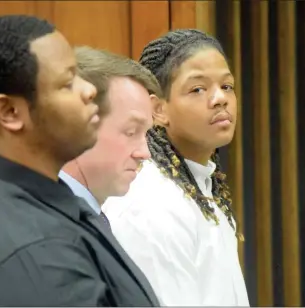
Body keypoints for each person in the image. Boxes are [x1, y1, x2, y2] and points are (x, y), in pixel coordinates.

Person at [0, 15, 158, 307]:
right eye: (68, 82)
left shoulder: (20, 191)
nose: (88, 91)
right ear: (9, 111)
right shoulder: (36, 257)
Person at [103, 29, 250, 306]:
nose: (220, 98)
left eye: (227, 86)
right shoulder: (150, 203)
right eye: (198, 89)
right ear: (158, 110)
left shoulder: (202, 186)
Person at [61, 46, 161, 214]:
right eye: (131, 132)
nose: (145, 153)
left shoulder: (82, 216)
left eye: (145, 134)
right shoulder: (48, 227)